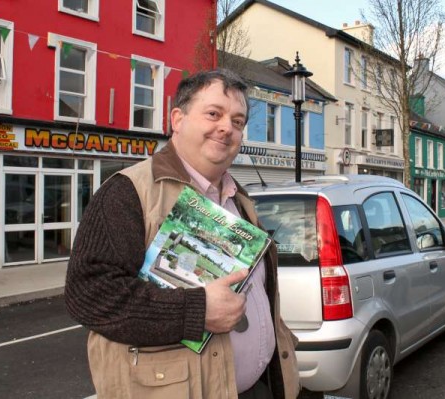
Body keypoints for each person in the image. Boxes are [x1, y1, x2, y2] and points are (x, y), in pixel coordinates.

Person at [65, 69, 300, 399]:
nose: (226, 128)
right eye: (213, 114)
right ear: (177, 119)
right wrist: (196, 310)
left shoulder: (239, 198)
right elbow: (88, 294)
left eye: (237, 121)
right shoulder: (128, 191)